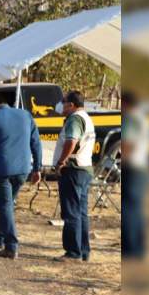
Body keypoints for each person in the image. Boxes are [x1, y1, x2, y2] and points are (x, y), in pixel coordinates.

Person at [0, 94, 42, 259]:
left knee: (5, 206)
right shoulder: (26, 115)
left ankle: (11, 245)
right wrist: (37, 168)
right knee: (6, 206)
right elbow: (36, 143)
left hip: (1, 169)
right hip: (23, 169)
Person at [53, 91, 96, 262]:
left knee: (71, 212)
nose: (61, 106)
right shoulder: (86, 117)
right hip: (84, 169)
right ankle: (83, 250)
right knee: (81, 212)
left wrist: (61, 161)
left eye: (63, 102)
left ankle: (73, 252)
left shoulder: (75, 119)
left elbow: (71, 141)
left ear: (71, 104)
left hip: (72, 169)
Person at [121, 91, 149, 260]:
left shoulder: (131, 119)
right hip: (141, 169)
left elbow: (127, 144)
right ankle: (138, 250)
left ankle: (131, 251)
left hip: (132, 169)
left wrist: (122, 161)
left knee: (129, 211)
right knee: (137, 210)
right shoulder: (142, 117)